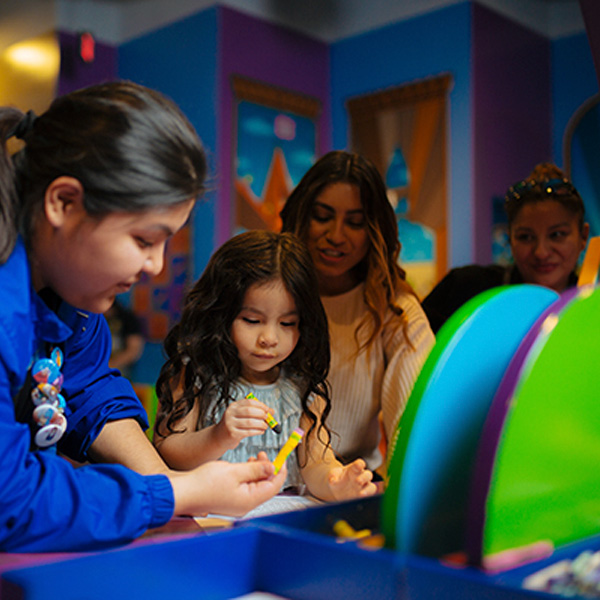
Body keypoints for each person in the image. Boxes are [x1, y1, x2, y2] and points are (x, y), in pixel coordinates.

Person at [0, 81, 286, 553]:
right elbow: (11, 498)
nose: (155, 265)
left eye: (167, 241)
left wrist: (165, 483)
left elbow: (88, 386)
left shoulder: (74, 299)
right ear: (64, 203)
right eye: (144, 240)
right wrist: (178, 491)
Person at [154, 230, 377, 502]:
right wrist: (219, 435)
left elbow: (316, 462)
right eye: (252, 320)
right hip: (213, 516)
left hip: (283, 511)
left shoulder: (303, 387)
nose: (269, 339)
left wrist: (336, 482)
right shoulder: (195, 375)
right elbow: (168, 453)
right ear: (221, 314)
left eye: (287, 324)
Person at [280, 151, 435, 477]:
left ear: (374, 232)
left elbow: (417, 426)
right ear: (301, 216)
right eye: (322, 216)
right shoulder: (263, 293)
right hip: (258, 481)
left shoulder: (395, 312)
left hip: (350, 484)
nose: (336, 235)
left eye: (355, 223)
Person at [422, 163, 589, 333]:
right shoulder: (466, 289)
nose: (541, 252)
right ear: (510, 237)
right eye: (526, 237)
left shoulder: (591, 311)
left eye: (557, 235)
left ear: (583, 236)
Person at [105, 298, 145, 380]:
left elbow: (133, 351)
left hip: (120, 375)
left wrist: (108, 366)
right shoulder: (92, 320)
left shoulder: (127, 319)